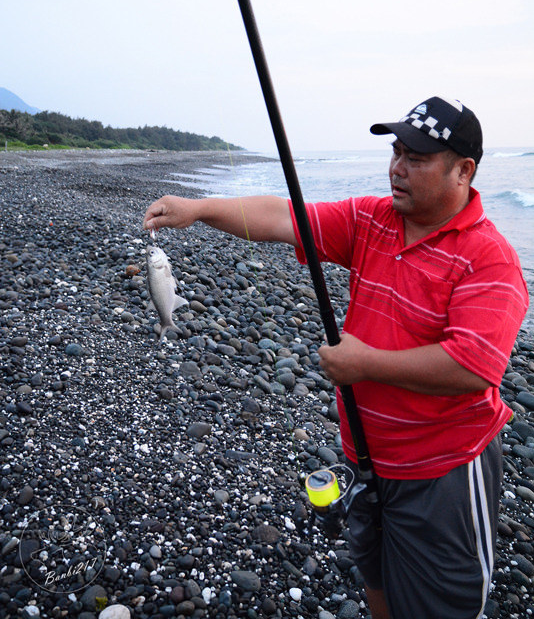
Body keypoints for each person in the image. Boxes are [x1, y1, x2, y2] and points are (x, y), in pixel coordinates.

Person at [143, 96, 528, 619]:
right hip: (364, 457)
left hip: (442, 473)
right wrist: (198, 210)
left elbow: (473, 367)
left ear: (464, 171)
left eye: (416, 158)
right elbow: (285, 217)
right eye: (396, 152)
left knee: (444, 605)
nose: (397, 168)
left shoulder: (489, 258)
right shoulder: (373, 220)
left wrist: (366, 364)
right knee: (376, 573)